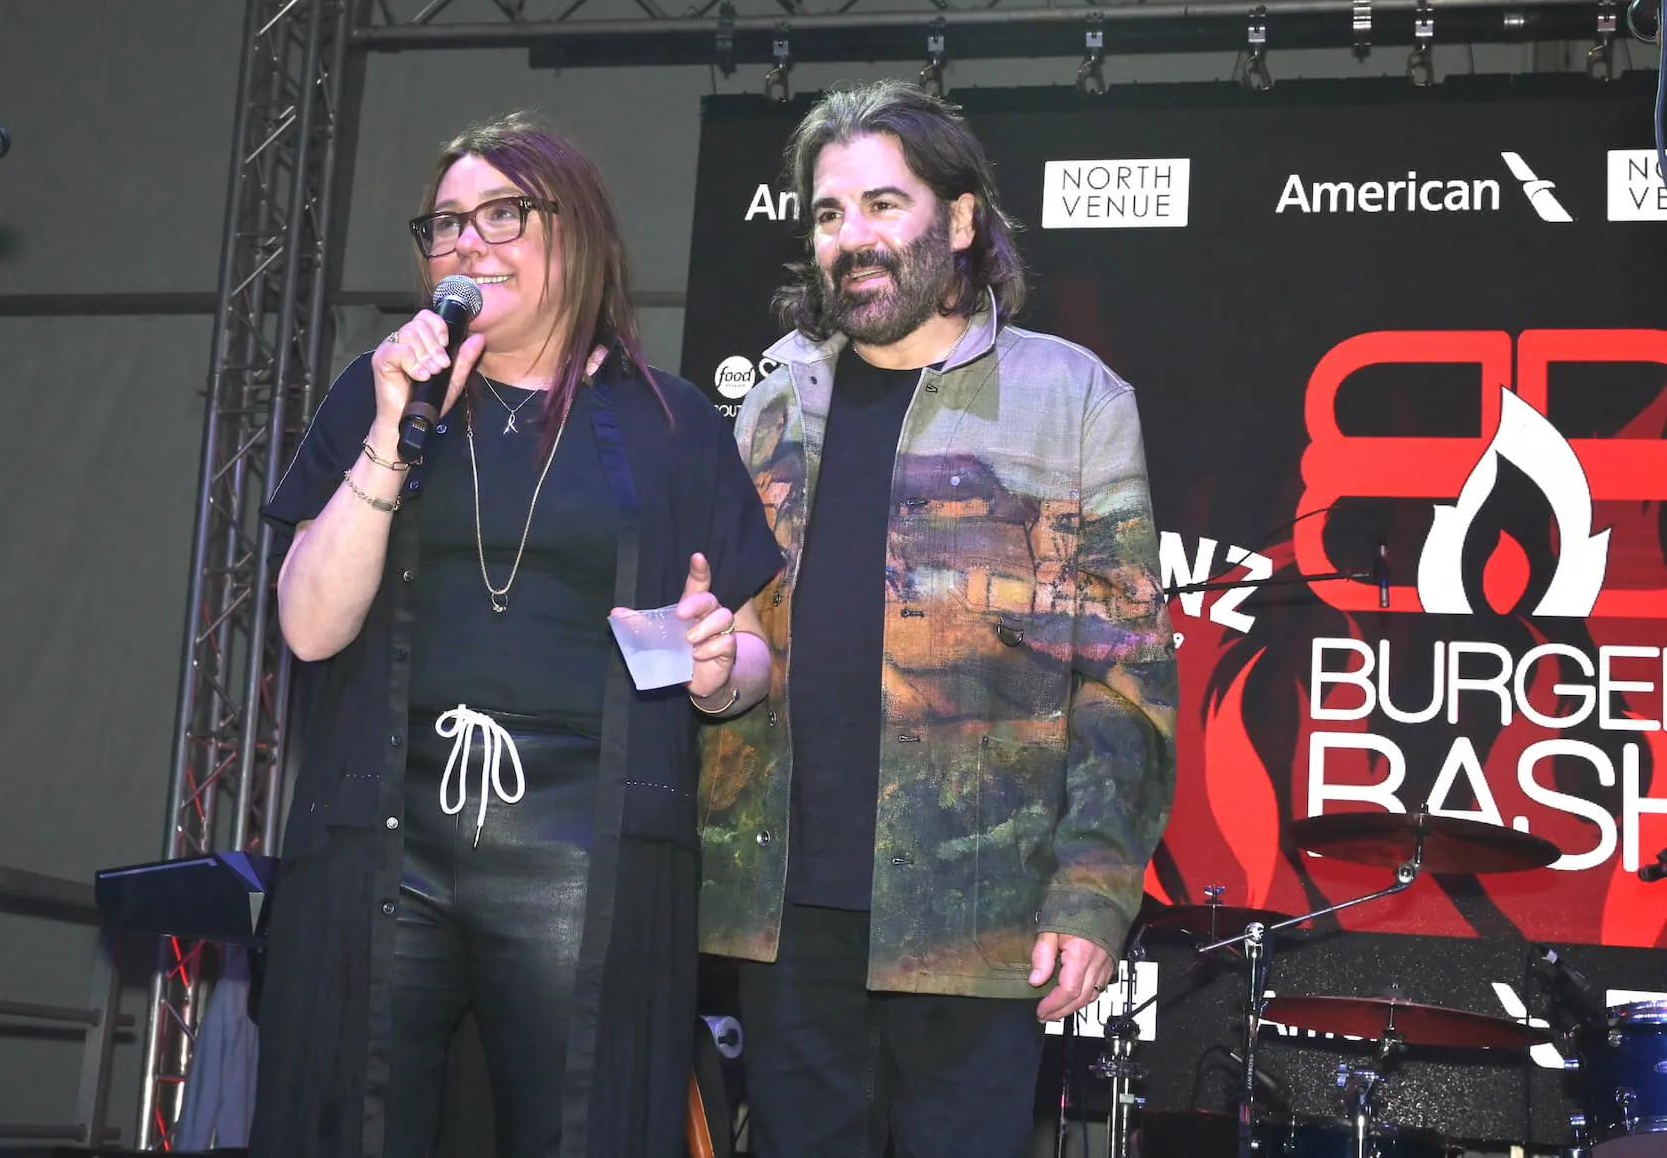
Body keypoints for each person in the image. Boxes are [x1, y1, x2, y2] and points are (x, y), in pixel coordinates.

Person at [249, 113, 783, 1158]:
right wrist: (390, 438)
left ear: (574, 233)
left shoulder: (671, 421)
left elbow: (754, 652)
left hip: (587, 858)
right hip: (383, 842)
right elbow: (308, 630)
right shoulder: (378, 391)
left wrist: (719, 667)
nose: (466, 241)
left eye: (502, 213)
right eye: (445, 223)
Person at [697, 80, 1179, 1157]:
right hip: (784, 920)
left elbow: (1122, 673)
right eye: (828, 215)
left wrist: (1094, 885)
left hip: (976, 913)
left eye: (881, 204)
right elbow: (732, 638)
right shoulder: (773, 405)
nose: (850, 239)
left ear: (958, 221)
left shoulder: (1072, 398)